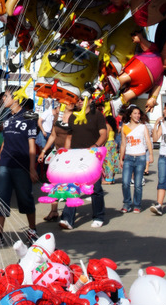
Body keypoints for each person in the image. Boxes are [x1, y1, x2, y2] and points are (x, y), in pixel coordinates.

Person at [0, 88, 39, 246]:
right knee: (0, 197)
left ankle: (32, 231)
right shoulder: (6, 118)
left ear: (16, 98)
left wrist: (32, 168)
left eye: (5, 96)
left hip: (22, 164)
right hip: (5, 163)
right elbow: (5, 142)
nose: (3, 99)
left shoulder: (29, 116)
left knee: (25, 197)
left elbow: (32, 145)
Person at [58, 96, 108, 230]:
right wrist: (65, 153)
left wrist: (95, 145)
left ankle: (98, 216)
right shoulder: (73, 117)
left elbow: (104, 134)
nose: (79, 101)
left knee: (95, 189)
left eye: (83, 98)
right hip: (74, 156)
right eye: (78, 99)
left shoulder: (97, 115)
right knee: (72, 188)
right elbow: (69, 137)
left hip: (91, 157)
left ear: (90, 100)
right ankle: (67, 219)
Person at [37, 102, 74, 220]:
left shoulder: (77, 117)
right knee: (54, 182)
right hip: (57, 153)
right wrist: (43, 151)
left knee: (68, 183)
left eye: (73, 101)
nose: (71, 103)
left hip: (71, 155)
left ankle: (68, 215)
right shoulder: (58, 117)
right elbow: (53, 135)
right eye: (69, 101)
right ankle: (53, 211)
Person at [119, 105, 153, 213]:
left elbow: (148, 141)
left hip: (140, 157)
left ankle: (137, 205)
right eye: (135, 113)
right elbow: (123, 144)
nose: (137, 115)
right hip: (128, 157)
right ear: (130, 114)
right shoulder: (125, 127)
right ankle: (127, 203)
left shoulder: (143, 127)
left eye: (139, 114)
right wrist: (121, 158)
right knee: (125, 182)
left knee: (138, 184)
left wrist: (151, 154)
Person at [102, 115, 120, 185]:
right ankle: (112, 178)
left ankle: (108, 179)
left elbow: (106, 136)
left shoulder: (107, 125)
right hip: (113, 143)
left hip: (108, 144)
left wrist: (102, 144)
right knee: (113, 160)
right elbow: (114, 136)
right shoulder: (113, 127)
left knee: (108, 162)